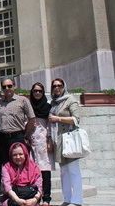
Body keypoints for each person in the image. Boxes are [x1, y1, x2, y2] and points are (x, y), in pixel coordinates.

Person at [48, 78, 83, 206]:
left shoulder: (70, 100)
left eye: (60, 85)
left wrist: (58, 118)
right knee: (63, 171)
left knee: (73, 169)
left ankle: (77, 200)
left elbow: (76, 119)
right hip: (59, 139)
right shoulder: (53, 103)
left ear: (64, 87)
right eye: (54, 86)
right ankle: (67, 198)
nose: (57, 88)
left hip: (69, 138)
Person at [0, 77, 35, 164]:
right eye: (4, 87)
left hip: (17, 136)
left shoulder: (23, 100)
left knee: (20, 163)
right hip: (3, 138)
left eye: (9, 86)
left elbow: (32, 118)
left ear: (14, 87)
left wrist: (25, 134)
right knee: (6, 164)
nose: (7, 88)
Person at [29, 83, 54, 205]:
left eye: (39, 91)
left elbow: (50, 124)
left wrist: (49, 140)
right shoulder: (29, 106)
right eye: (35, 91)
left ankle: (47, 198)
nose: (37, 93)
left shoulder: (48, 107)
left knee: (45, 171)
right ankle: (35, 196)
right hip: (31, 140)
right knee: (33, 171)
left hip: (43, 141)